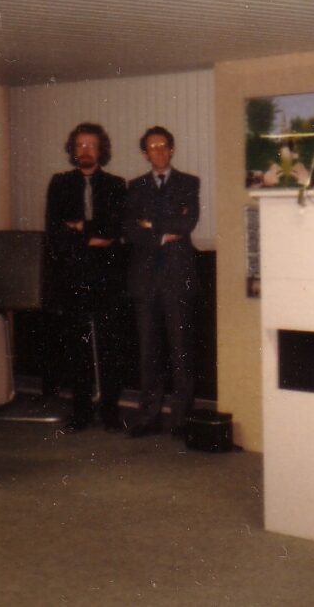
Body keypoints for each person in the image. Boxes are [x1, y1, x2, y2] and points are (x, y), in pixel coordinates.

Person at [43, 123, 127, 433]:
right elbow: (55, 232)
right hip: (73, 276)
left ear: (101, 149)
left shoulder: (117, 185)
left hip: (108, 278)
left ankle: (110, 411)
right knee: (77, 346)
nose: (85, 151)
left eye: (91, 145)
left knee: (110, 346)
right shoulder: (60, 183)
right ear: (72, 150)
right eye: (79, 145)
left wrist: (80, 229)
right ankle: (80, 410)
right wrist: (94, 236)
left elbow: (115, 231)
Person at [124, 127, 201, 437]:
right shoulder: (135, 187)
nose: (158, 152)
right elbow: (129, 230)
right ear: (145, 153)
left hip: (177, 278)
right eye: (152, 147)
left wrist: (150, 225)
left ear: (171, 150)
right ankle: (148, 416)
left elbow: (187, 222)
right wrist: (163, 232)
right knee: (148, 352)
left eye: (163, 146)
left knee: (181, 351)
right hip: (145, 282)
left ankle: (181, 418)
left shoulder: (189, 183)